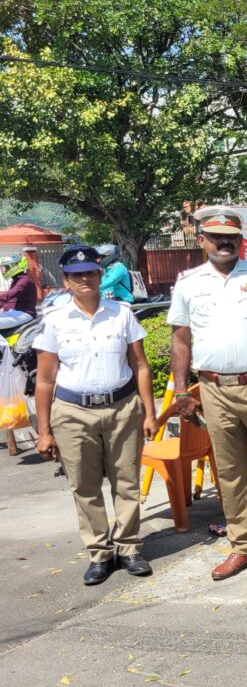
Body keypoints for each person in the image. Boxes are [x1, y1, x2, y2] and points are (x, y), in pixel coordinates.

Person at [168, 205, 247, 580]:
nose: (225, 243)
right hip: (213, 389)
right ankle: (243, 546)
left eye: (232, 237)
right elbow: (181, 340)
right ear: (202, 240)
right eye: (217, 237)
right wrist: (182, 391)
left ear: (241, 240)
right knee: (230, 472)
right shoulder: (188, 283)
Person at [32, 246, 157, 585]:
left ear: (100, 276)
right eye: (77, 275)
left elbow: (140, 365)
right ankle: (100, 553)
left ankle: (129, 548)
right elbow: (45, 380)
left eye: (90, 272)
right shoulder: (55, 320)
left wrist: (149, 411)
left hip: (122, 407)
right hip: (72, 413)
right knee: (84, 486)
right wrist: (44, 431)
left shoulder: (121, 314)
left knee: (126, 482)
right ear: (66, 281)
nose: (84, 279)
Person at [0, 255, 37, 330]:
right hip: (13, 312)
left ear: (15, 267)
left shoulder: (25, 280)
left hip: (24, 313)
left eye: (6, 267)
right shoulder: (16, 280)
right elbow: (8, 299)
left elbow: (10, 295)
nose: (5, 271)